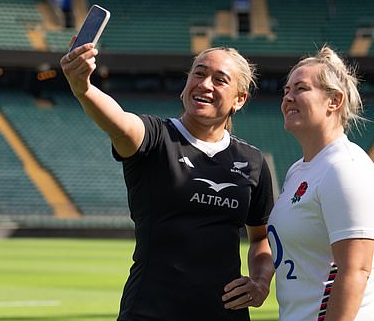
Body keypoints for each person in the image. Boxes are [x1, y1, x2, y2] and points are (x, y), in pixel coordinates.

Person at [60, 41, 275, 321]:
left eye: (220, 80)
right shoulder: (156, 137)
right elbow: (119, 123)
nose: (205, 84)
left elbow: (261, 237)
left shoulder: (252, 161)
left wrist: (260, 282)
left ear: (239, 99)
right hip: (150, 311)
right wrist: (84, 89)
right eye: (199, 74)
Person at [267, 46, 374, 321]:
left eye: (301, 89)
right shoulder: (299, 170)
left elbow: (355, 271)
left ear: (334, 100)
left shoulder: (346, 168)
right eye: (286, 91)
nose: (288, 97)